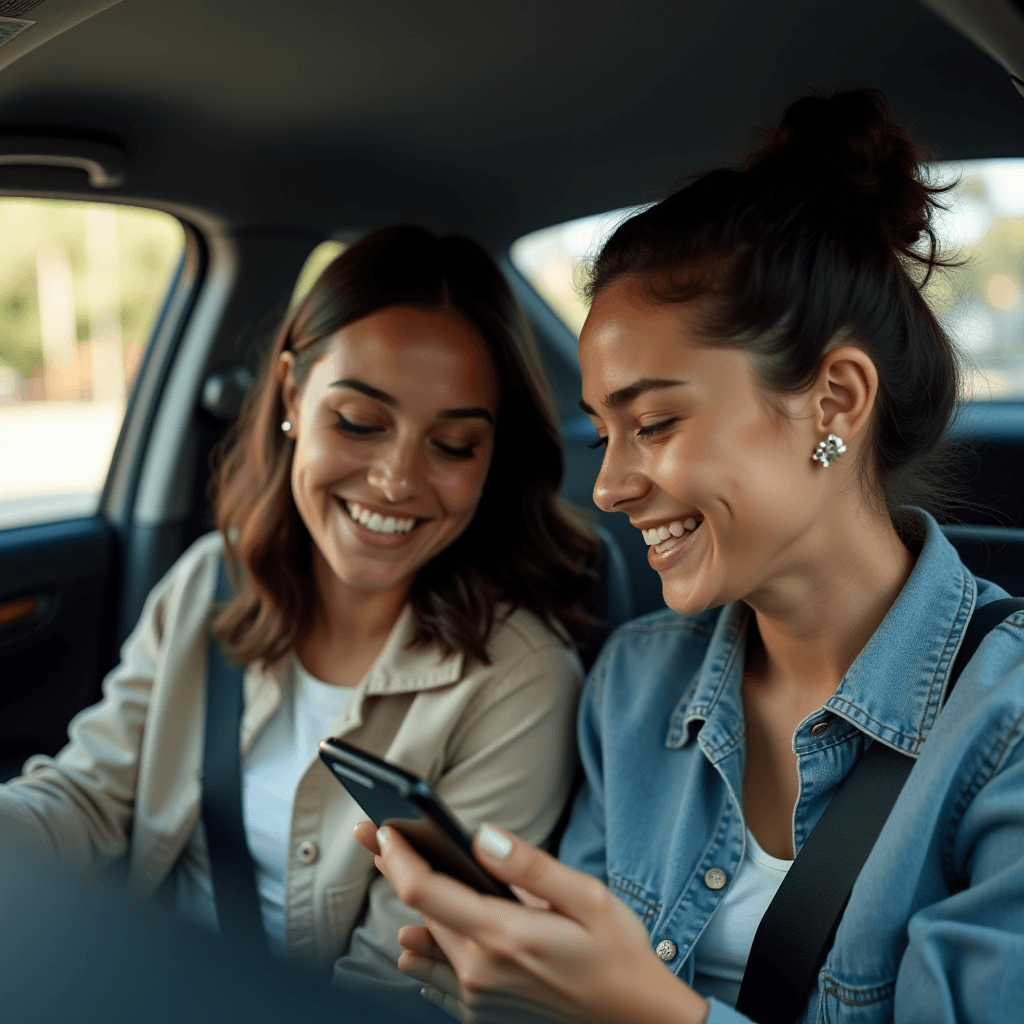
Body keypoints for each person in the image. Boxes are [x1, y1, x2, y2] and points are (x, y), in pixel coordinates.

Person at [358, 91, 1024, 1023]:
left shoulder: (1007, 730)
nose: (609, 487)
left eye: (656, 423)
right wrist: (514, 986)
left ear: (833, 402)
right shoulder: (632, 688)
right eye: (603, 436)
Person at [0, 224, 597, 987]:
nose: (395, 479)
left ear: (492, 458)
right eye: (358, 423)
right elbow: (89, 795)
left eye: (452, 445)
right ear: (290, 393)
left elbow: (398, 977)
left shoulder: (519, 680)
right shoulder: (210, 581)